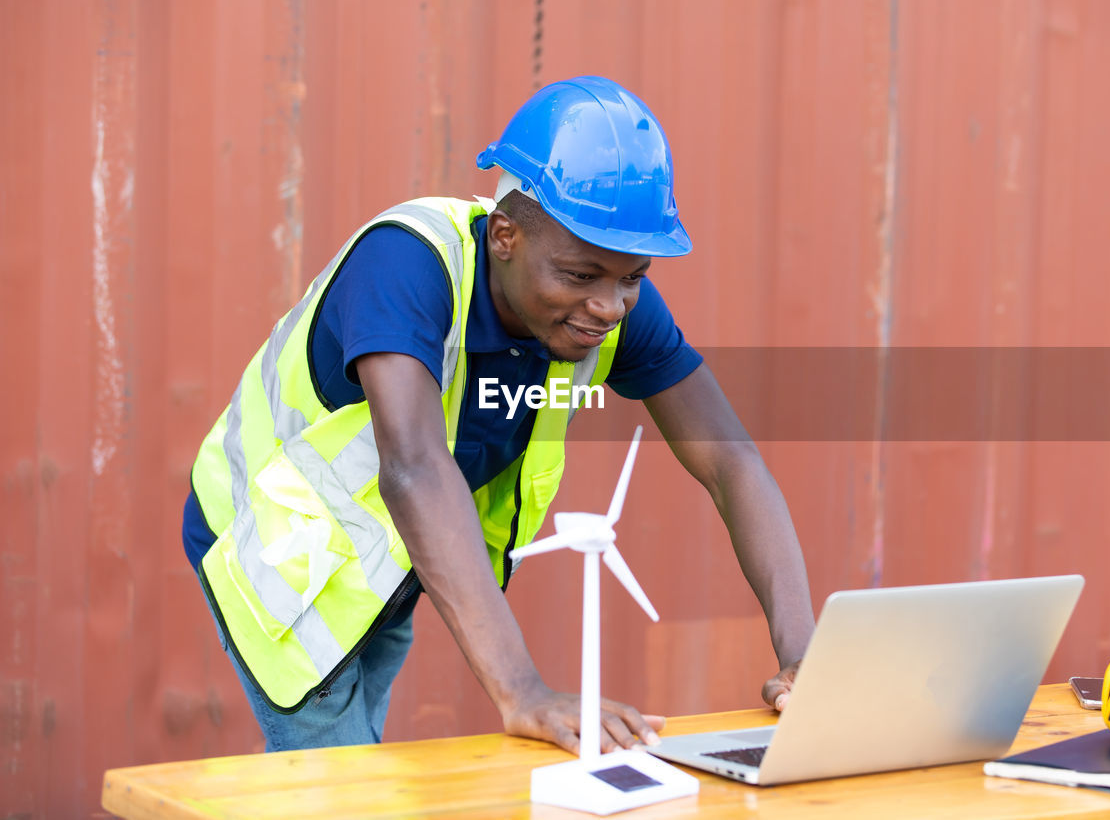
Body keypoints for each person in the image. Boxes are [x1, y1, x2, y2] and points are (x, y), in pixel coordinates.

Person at [184, 75, 815, 753]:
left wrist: (806, 656)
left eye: (633, 277)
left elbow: (730, 460)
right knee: (336, 790)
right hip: (272, 545)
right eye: (580, 275)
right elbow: (414, 468)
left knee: (358, 763)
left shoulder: (611, 305)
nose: (609, 305)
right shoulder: (406, 265)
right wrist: (522, 691)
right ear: (507, 235)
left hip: (383, 558)